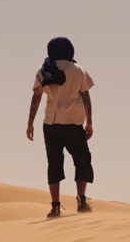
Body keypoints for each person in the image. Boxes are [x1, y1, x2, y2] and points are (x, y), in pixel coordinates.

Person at [26, 36, 95, 218]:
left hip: (51, 124)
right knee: (82, 161)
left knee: (54, 164)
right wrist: (90, 122)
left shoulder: (44, 70)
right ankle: (81, 200)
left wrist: (30, 123)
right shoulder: (78, 70)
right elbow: (86, 97)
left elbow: (37, 97)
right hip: (73, 123)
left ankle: (55, 206)